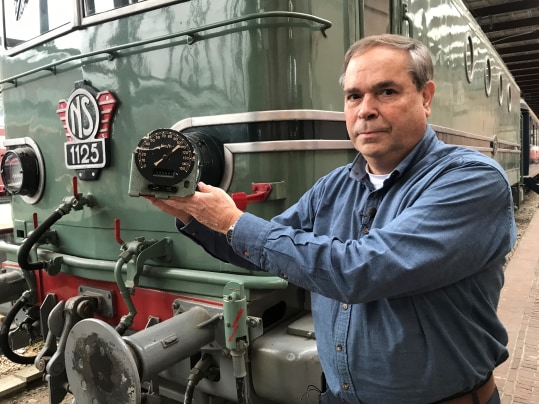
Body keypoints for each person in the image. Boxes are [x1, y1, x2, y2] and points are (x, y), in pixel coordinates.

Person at [147, 34, 516, 403]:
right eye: (354, 96)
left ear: (426, 97)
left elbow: (361, 270)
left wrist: (233, 220)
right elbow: (262, 251)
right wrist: (193, 214)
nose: (365, 110)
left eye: (386, 92)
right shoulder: (334, 186)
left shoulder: (471, 180)